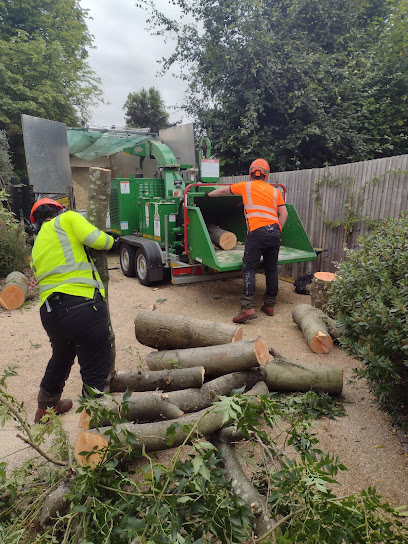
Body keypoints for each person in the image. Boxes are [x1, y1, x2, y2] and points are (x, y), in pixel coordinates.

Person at [30, 198, 114, 423]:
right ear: (59, 209)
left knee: (62, 355)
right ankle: (94, 421)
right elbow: (98, 241)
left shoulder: (37, 243)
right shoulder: (68, 219)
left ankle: (46, 407)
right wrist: (112, 239)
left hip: (50, 313)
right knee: (95, 361)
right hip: (81, 305)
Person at [206, 158, 288, 323]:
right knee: (271, 269)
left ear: (251, 173)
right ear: (266, 175)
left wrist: (208, 194)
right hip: (274, 232)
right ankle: (269, 305)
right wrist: (277, 230)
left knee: (249, 268)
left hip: (257, 233)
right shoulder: (275, 191)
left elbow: (223, 191)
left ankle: (247, 308)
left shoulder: (246, 186)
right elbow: (284, 214)